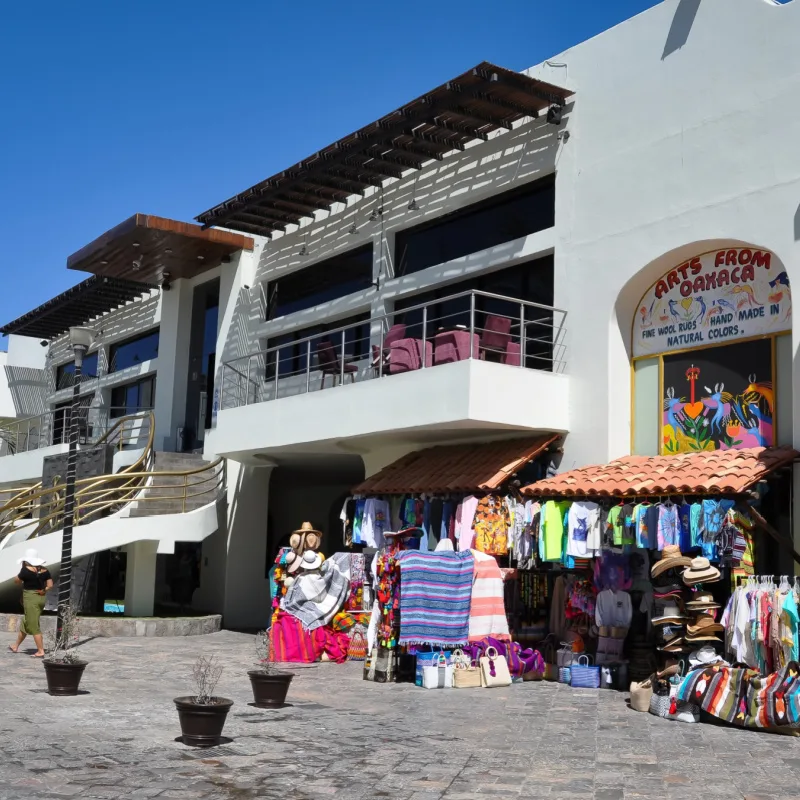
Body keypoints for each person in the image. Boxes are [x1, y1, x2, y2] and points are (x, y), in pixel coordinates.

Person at [9, 548, 53, 657]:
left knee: (33, 625)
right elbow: (50, 585)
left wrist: (20, 572)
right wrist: (43, 590)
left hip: (30, 598)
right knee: (26, 621)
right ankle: (16, 645)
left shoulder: (25, 570)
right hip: (41, 597)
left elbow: (16, 581)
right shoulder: (45, 570)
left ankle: (40, 650)